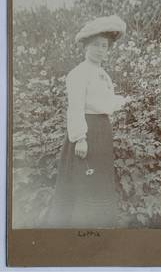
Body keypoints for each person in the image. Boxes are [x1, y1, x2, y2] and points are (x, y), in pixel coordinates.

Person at [47, 15, 127, 228]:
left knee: (99, 184)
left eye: (104, 46)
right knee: (85, 183)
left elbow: (104, 102)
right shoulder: (78, 73)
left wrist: (122, 101)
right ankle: (79, 234)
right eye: (96, 45)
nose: (101, 50)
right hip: (86, 132)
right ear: (86, 46)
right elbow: (75, 107)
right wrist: (80, 138)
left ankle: (99, 232)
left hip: (102, 132)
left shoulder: (102, 74)